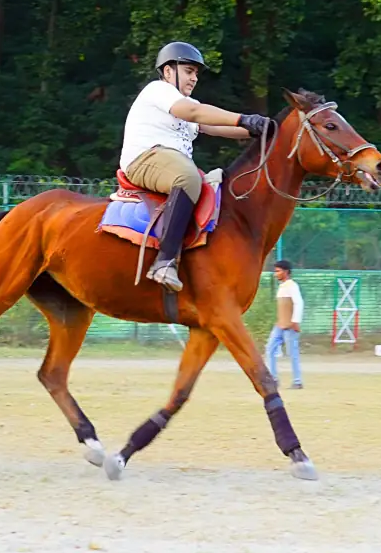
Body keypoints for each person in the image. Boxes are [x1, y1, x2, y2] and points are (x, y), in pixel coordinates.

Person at [119, 41, 273, 291]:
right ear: (168, 71)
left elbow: (216, 127)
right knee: (188, 177)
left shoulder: (186, 103)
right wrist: (243, 118)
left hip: (168, 162)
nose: (194, 78)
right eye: (189, 71)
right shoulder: (158, 90)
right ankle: (164, 262)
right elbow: (195, 112)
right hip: (144, 160)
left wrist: (259, 130)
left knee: (209, 184)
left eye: (196, 74)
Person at [265, 259, 304, 388]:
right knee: (270, 349)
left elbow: (299, 303)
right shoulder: (282, 286)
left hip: (290, 326)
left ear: (286, 272)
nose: (276, 274)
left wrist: (295, 321)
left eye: (278, 271)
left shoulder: (292, 285)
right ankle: (273, 379)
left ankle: (297, 381)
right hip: (280, 325)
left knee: (292, 353)